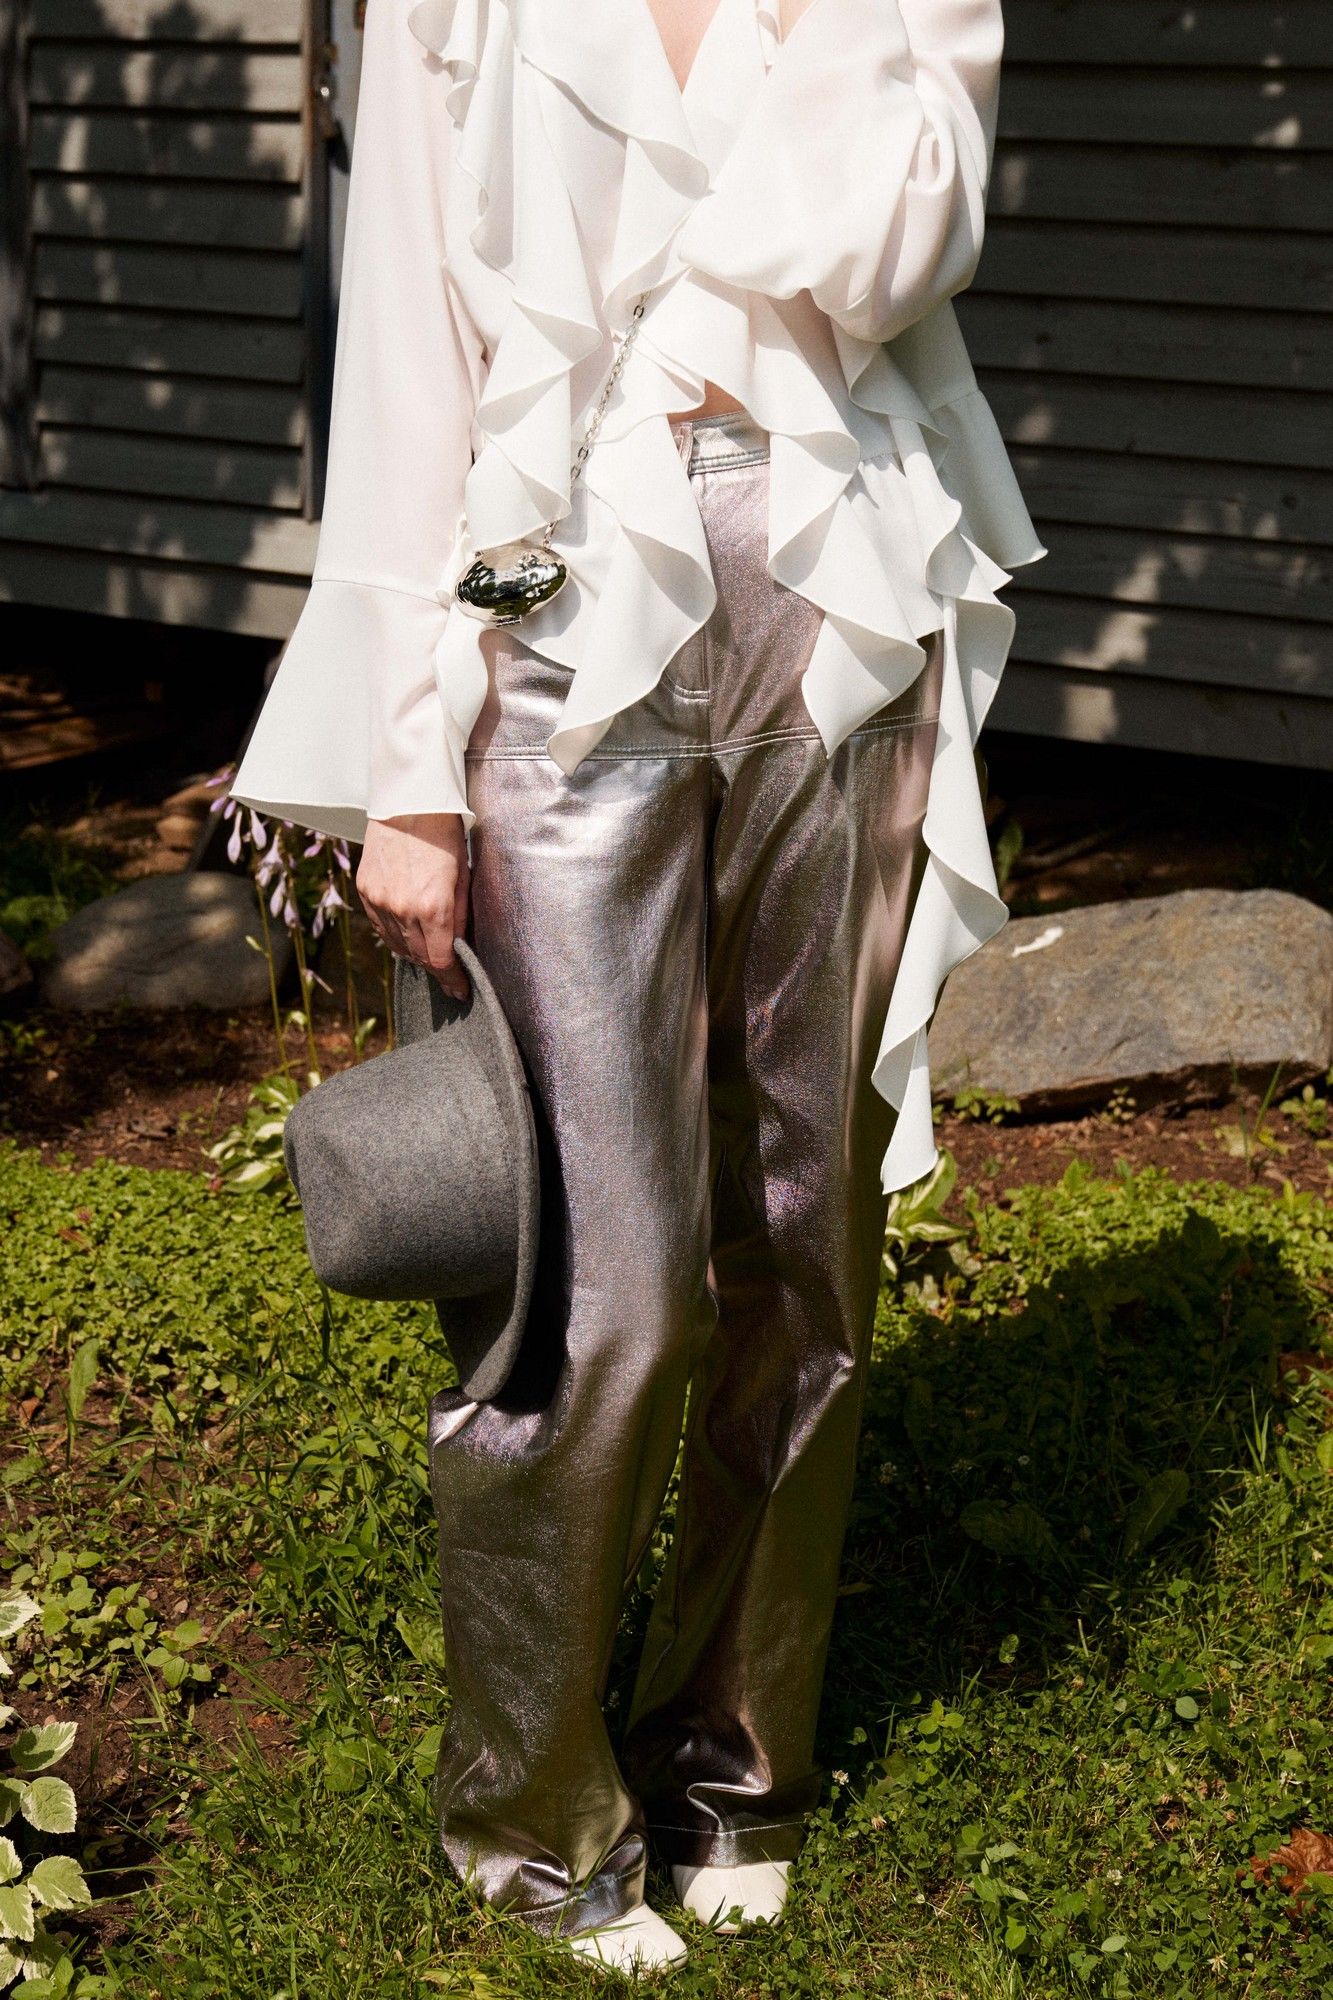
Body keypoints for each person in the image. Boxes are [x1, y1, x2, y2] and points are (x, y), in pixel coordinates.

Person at [232, 0, 1045, 1974]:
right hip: (550, 589)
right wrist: (406, 775)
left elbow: (895, 255)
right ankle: (527, 1814)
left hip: (837, 593)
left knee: (807, 1239)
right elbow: (412, 357)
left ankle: (732, 1764)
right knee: (602, 1280)